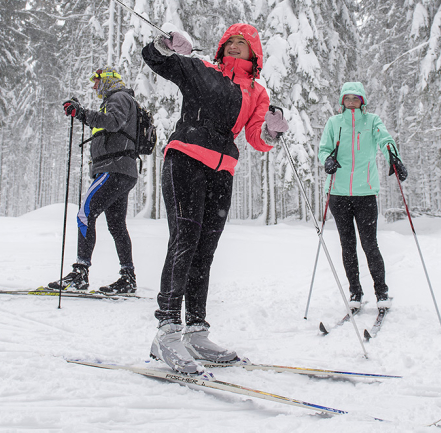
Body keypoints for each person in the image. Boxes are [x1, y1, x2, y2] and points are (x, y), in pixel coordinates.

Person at [142, 24, 288, 374]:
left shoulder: (257, 93)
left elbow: (256, 137)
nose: (236, 47)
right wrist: (165, 45)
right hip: (185, 159)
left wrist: (271, 130)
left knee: (205, 251)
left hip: (222, 171)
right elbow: (157, 61)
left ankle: (195, 330)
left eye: (244, 44)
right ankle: (166, 331)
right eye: (231, 42)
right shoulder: (200, 69)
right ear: (222, 48)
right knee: (185, 241)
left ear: (255, 55)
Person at [47, 67, 141, 294]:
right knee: (117, 226)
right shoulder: (124, 99)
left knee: (85, 214)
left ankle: (80, 273)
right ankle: (128, 278)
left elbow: (113, 122)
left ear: (107, 81)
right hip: (124, 170)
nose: (94, 87)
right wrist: (84, 114)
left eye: (97, 82)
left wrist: (81, 113)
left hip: (113, 168)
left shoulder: (118, 98)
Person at [317, 82, 407, 312]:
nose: (351, 102)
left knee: (369, 244)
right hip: (338, 194)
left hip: (365, 193)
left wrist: (393, 157)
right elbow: (324, 149)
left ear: (362, 100)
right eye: (346, 98)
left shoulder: (372, 121)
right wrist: (327, 160)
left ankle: (382, 292)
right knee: (347, 246)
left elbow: (385, 140)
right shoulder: (334, 123)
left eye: (355, 98)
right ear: (341, 101)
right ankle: (355, 293)